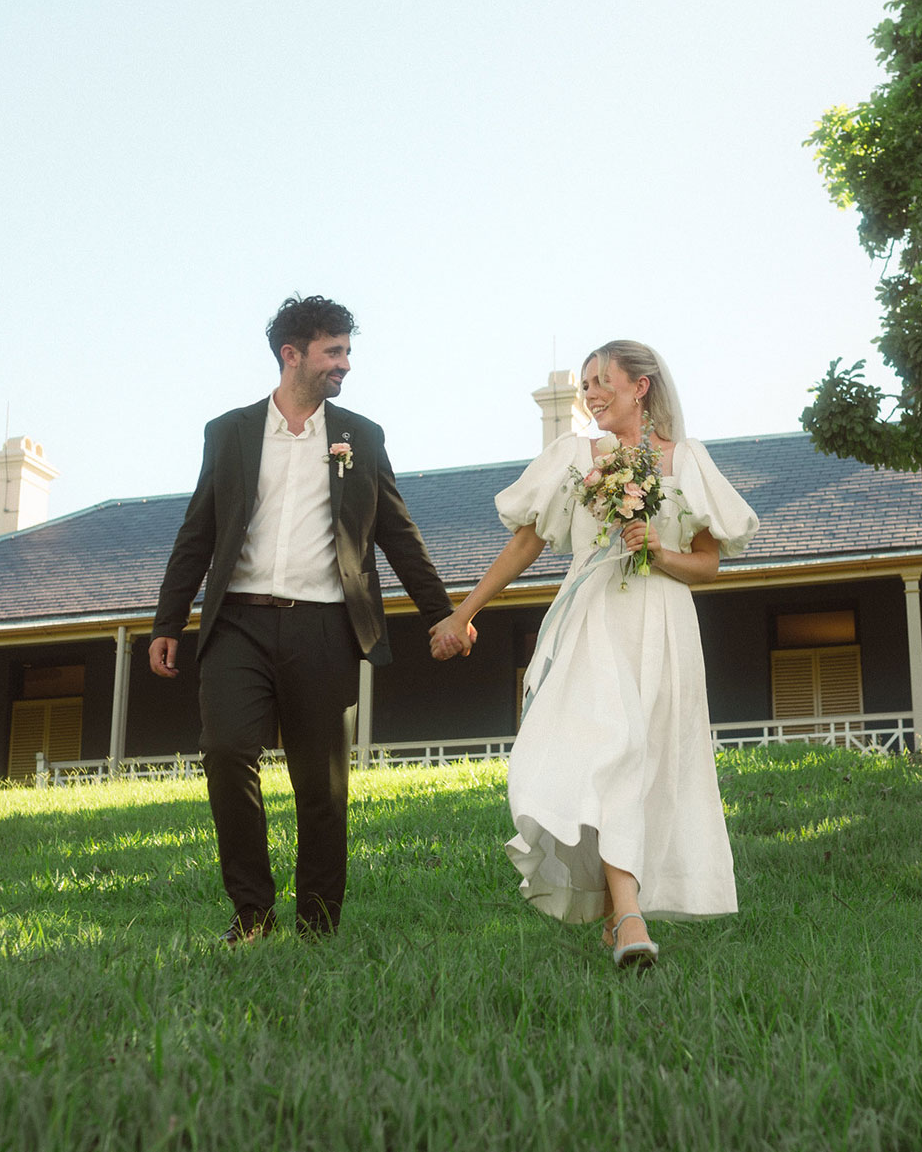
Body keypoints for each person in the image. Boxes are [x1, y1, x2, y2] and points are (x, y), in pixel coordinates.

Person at [430, 340, 757, 967]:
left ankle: (621, 916)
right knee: (608, 751)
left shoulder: (686, 460)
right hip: (592, 618)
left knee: (642, 759)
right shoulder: (575, 458)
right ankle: (630, 918)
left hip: (660, 623)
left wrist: (659, 551)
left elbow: (710, 561)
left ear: (642, 386)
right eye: (585, 383)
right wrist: (464, 611)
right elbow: (527, 543)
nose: (591, 393)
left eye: (603, 379)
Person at [150, 294, 456, 943]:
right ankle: (252, 911)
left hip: (325, 626)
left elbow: (396, 531)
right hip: (237, 622)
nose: (345, 363)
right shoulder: (228, 432)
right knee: (227, 749)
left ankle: (318, 924)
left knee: (321, 782)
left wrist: (441, 614)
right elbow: (197, 532)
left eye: (347, 350)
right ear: (292, 355)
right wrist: (166, 621)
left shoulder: (360, 436)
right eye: (333, 352)